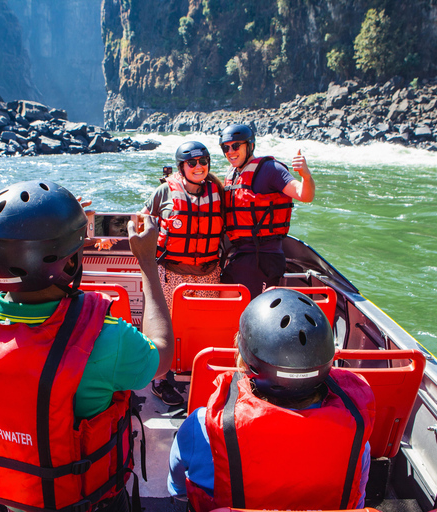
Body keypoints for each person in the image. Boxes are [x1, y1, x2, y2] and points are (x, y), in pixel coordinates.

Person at [0, 180, 173, 512]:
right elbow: (163, 353)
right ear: (69, 263)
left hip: (7, 497)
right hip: (86, 503)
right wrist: (148, 266)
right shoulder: (104, 339)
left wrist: (55, 232)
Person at [167, 288, 375, 511]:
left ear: (245, 360)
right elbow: (357, 501)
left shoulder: (202, 426)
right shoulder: (356, 437)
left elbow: (177, 488)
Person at [142, 141, 225, 406]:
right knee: (167, 330)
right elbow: (139, 220)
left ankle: (199, 375)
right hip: (171, 274)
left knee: (202, 329)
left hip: (208, 273)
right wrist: (108, 237)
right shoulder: (163, 192)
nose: (199, 167)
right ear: (182, 167)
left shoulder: (219, 192)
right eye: (192, 163)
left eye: (203, 162)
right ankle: (161, 380)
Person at [219, 124, 315, 298]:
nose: (230, 151)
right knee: (226, 305)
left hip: (263, 258)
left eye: (236, 146)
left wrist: (306, 176)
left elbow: (304, 195)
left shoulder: (271, 169)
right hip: (240, 255)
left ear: (250, 145)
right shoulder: (233, 174)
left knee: (248, 313)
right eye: (226, 147)